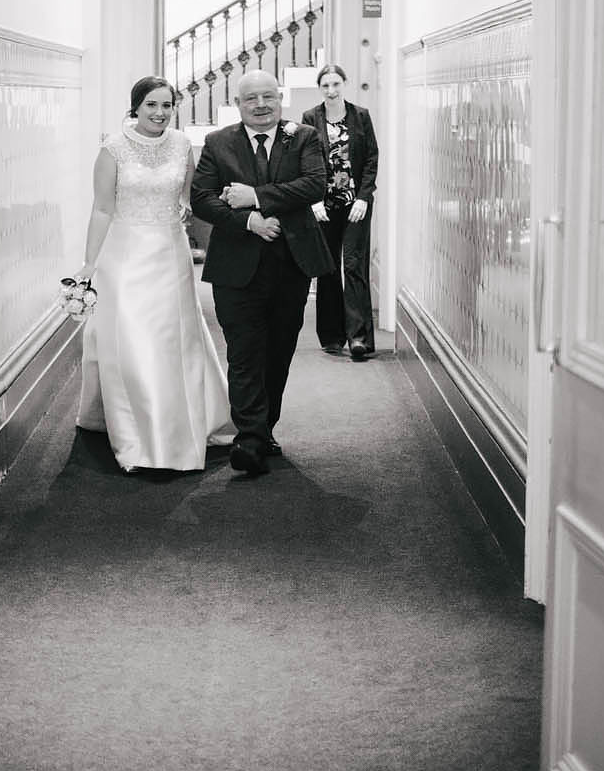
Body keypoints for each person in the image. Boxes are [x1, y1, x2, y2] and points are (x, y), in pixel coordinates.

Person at [73, 76, 236, 472]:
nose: (160, 113)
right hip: (126, 257)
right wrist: (88, 264)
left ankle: (179, 425)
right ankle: (140, 435)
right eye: (151, 105)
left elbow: (187, 194)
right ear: (136, 107)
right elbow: (102, 209)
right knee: (133, 341)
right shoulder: (113, 149)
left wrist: (187, 208)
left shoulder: (182, 144)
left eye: (167, 105)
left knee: (173, 340)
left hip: (170, 254)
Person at [190, 70, 335, 475]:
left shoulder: (303, 136)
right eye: (251, 98)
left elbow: (314, 185)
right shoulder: (219, 143)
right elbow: (202, 199)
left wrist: (256, 197)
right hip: (235, 264)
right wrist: (247, 221)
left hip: (292, 263)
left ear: (279, 98)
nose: (261, 105)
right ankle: (250, 436)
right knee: (243, 350)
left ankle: (264, 426)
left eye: (268, 97)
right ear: (239, 105)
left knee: (279, 349)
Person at [303, 63, 380, 360]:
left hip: (355, 205)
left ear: (344, 84)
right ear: (320, 88)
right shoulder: (311, 117)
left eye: (336, 84)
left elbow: (372, 157)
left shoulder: (360, 116)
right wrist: (313, 201)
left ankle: (359, 338)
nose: (331, 90)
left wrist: (364, 196)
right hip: (325, 205)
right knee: (329, 267)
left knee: (354, 265)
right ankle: (332, 335)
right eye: (325, 86)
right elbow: (306, 159)